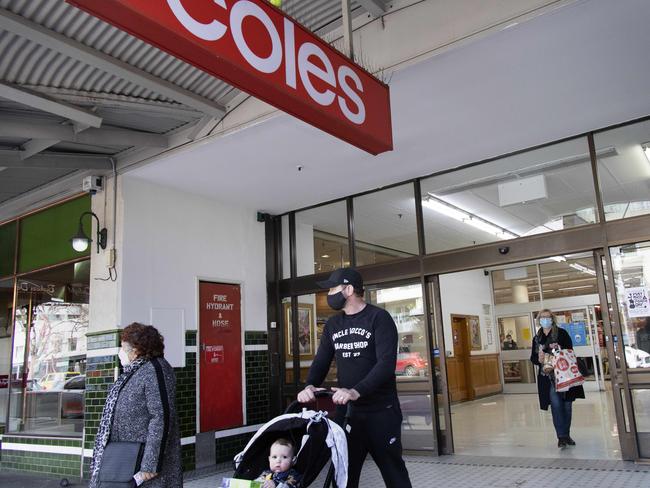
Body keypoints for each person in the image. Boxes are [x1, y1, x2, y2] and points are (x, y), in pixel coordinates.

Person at [297, 267, 412, 488]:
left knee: (393, 472)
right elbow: (321, 361)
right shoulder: (333, 324)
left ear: (349, 289)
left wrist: (355, 391)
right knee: (344, 476)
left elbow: (386, 364)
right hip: (348, 415)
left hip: (381, 412)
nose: (329, 293)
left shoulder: (379, 318)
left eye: (333, 288)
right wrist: (310, 385)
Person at [89, 323, 182, 488]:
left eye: (124, 347)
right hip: (126, 458)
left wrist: (150, 463)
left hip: (144, 466)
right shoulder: (136, 371)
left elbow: (161, 416)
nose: (120, 352)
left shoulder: (155, 370)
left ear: (137, 350)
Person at [530, 309, 585, 449]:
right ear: (539, 320)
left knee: (567, 405)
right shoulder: (537, 338)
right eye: (542, 318)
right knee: (556, 405)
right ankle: (561, 436)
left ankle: (566, 434)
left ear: (552, 319)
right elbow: (533, 358)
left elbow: (569, 351)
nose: (545, 320)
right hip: (548, 377)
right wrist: (539, 359)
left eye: (548, 317)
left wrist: (556, 351)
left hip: (565, 374)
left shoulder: (561, 333)